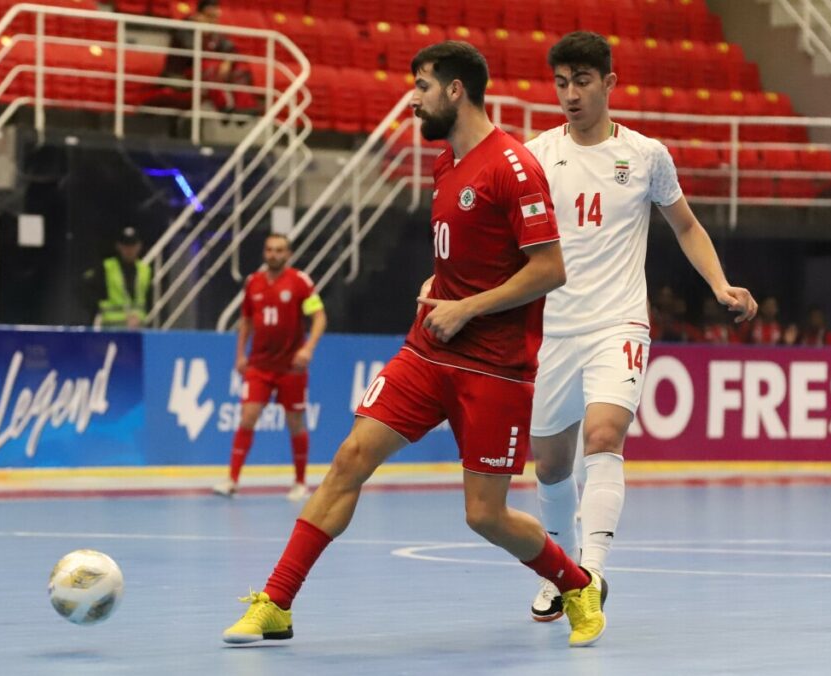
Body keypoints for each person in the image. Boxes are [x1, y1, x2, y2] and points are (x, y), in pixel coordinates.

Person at [222, 41, 608, 649]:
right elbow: (473, 255)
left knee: (484, 515)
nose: (414, 99)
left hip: (496, 368)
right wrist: (442, 285)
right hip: (427, 351)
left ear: (456, 91)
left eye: (422, 87)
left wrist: (468, 306)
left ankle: (576, 582)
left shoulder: (512, 166)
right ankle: (276, 601)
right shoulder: (445, 165)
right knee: (350, 458)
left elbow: (549, 269)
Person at [522, 32, 757, 623]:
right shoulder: (534, 155)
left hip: (619, 323)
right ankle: (561, 571)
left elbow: (685, 226)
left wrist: (719, 284)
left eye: (581, 81)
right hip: (552, 329)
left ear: (609, 83)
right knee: (549, 464)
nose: (570, 94)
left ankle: (591, 572)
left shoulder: (647, 156)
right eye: (561, 83)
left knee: (602, 438)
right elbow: (501, 240)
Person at [213, 233, 326, 501]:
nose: (273, 254)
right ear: (264, 253)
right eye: (269, 249)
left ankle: (300, 482)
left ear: (288, 254)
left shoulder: (300, 282)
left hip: (291, 368)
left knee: (295, 422)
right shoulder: (253, 283)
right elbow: (247, 322)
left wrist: (308, 348)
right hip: (260, 365)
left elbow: (319, 317)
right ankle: (232, 480)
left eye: (279, 250)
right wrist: (240, 355)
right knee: (248, 416)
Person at [158, 0, 256, 114]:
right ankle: (225, 106)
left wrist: (227, 62)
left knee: (240, 67)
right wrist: (202, 34)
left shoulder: (214, 31)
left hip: (205, 71)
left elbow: (230, 48)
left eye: (214, 17)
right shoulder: (185, 29)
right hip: (181, 74)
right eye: (209, 16)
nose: (212, 20)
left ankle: (245, 106)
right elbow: (195, 52)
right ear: (198, 15)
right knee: (209, 66)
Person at [82, 226, 152, 329]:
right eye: (126, 246)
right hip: (112, 325)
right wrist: (96, 308)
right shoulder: (107, 267)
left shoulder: (145, 270)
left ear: (139, 246)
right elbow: (83, 289)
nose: (129, 250)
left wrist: (138, 318)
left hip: (138, 325)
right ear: (119, 246)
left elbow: (149, 298)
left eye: (132, 245)